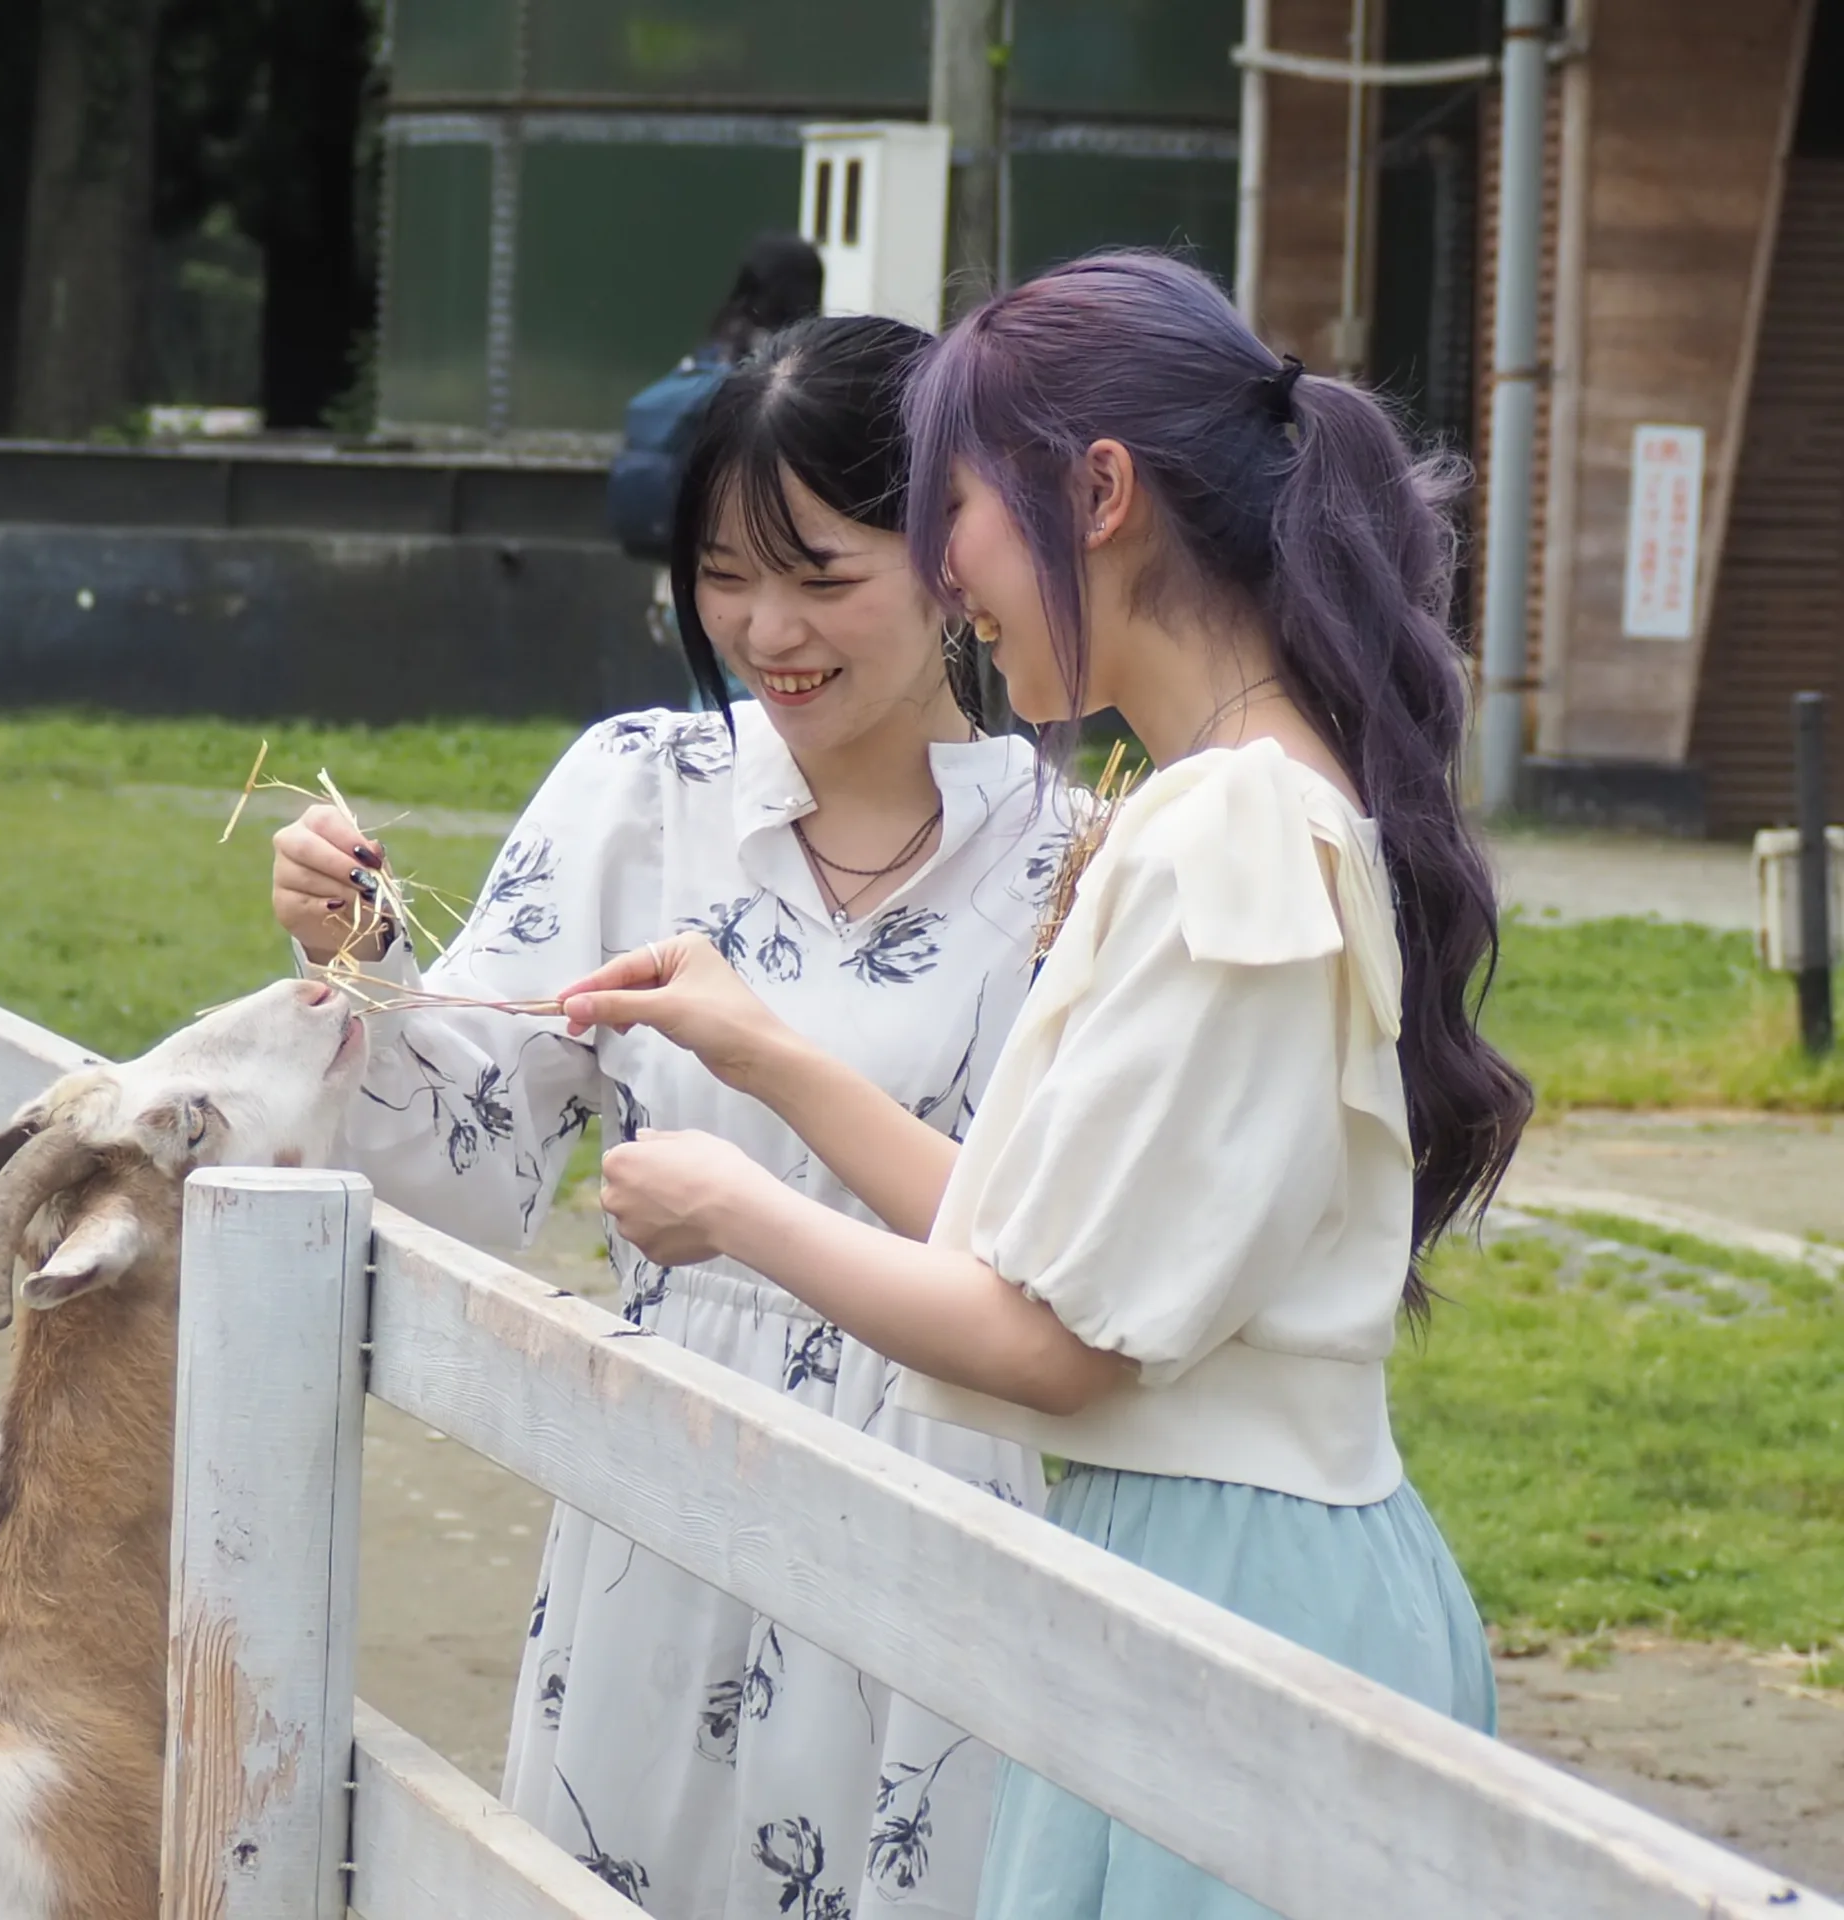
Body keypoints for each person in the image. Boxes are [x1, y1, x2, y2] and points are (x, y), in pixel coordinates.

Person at [557, 252, 1533, 1920]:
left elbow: (1053, 1345)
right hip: (1210, 1565)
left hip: (1234, 1595)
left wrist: (733, 1207)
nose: (945, 571)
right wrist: (766, 1055)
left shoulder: (1230, 826)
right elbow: (1044, 1245)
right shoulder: (1228, 802)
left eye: (956, 509)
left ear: (1099, 495)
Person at [272, 313, 1076, 1920]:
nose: (769, 630)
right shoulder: (637, 790)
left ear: (951, 556)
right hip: (661, 1480)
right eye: (722, 575)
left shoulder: (1068, 856)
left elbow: (1065, 1253)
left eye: (823, 577)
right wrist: (363, 957)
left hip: (942, 1485)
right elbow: (467, 1170)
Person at [609, 232, 827, 707]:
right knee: (748, 716)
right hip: (755, 587)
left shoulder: (711, 349)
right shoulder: (785, 373)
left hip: (683, 582)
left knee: (711, 704)